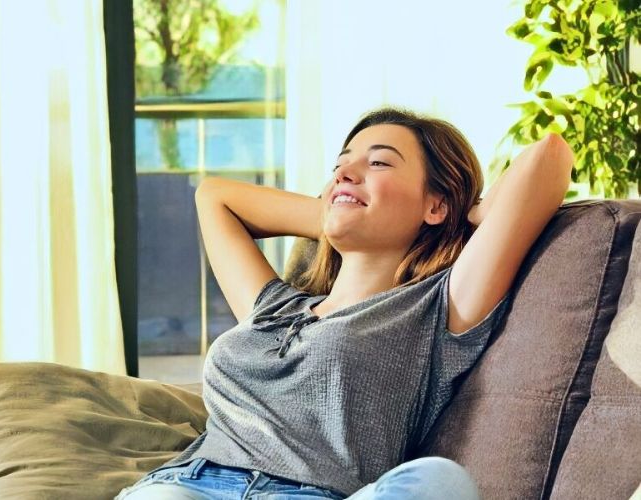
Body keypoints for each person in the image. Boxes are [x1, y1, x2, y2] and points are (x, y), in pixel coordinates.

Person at [115, 107, 575, 500]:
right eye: (340, 166)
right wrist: (340, 207)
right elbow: (214, 196)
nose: (344, 173)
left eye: (379, 163)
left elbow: (549, 157)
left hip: (314, 494)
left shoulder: (437, 307)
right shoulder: (274, 306)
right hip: (189, 486)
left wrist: (464, 217)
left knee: (440, 481)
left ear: (435, 205)